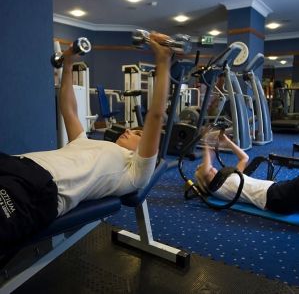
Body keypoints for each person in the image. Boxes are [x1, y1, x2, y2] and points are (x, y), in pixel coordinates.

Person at [0, 32, 172, 252]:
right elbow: (68, 109)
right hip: (19, 164)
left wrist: (163, 61)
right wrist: (69, 63)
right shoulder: (84, 140)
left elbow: (156, 116)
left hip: (41, 189)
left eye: (138, 135)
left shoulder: (134, 173)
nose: (129, 130)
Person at [194, 131, 299, 214]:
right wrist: (206, 142)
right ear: (205, 180)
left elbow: (244, 158)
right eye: (207, 170)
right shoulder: (217, 189)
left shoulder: (231, 176)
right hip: (275, 198)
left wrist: (228, 142)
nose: (212, 168)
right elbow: (207, 167)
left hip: (277, 188)